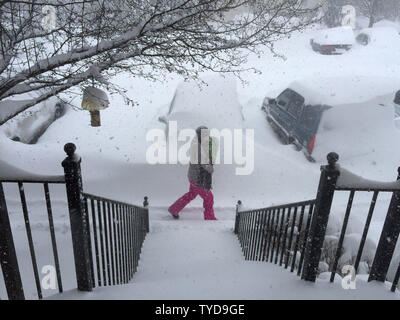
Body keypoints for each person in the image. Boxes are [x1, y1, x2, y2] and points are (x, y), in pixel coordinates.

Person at [168, 126, 218, 220]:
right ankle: (209, 218)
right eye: (206, 134)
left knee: (191, 194)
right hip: (198, 179)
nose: (208, 136)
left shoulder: (197, 142)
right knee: (209, 198)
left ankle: (174, 209)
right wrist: (210, 168)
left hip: (193, 176)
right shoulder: (198, 147)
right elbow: (204, 164)